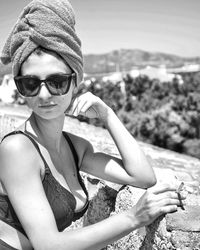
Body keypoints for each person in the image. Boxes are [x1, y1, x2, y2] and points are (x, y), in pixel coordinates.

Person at [0, 0, 185, 249]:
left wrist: (108, 115)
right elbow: (48, 245)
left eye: (57, 82)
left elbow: (142, 177)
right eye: (30, 84)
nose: (43, 95)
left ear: (75, 82)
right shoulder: (17, 149)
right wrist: (134, 217)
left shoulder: (76, 148)